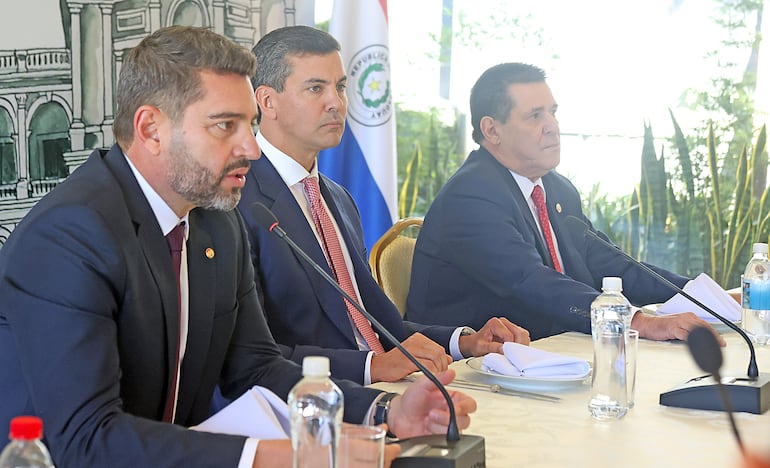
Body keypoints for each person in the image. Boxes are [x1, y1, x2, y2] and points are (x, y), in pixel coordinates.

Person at [0, 26, 476, 468]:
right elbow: (85, 440)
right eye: (224, 126)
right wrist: (283, 455)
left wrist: (384, 410)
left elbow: (255, 368)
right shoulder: (70, 235)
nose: (250, 147)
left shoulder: (215, 223)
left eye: (250, 123)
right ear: (150, 130)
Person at [236, 25, 529, 386]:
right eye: (316, 88)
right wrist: (370, 368)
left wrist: (464, 342)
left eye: (340, 87)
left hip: (394, 386)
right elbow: (252, 356)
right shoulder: (238, 200)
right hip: (315, 401)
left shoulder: (338, 199)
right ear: (267, 101)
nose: (336, 103)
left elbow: (368, 322)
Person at [407, 62, 726, 343]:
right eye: (535, 116)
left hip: (552, 351)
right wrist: (639, 322)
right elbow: (530, 280)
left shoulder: (556, 189)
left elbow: (609, 262)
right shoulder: (471, 195)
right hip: (467, 367)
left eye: (553, 112)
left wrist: (700, 297)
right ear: (492, 130)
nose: (552, 126)